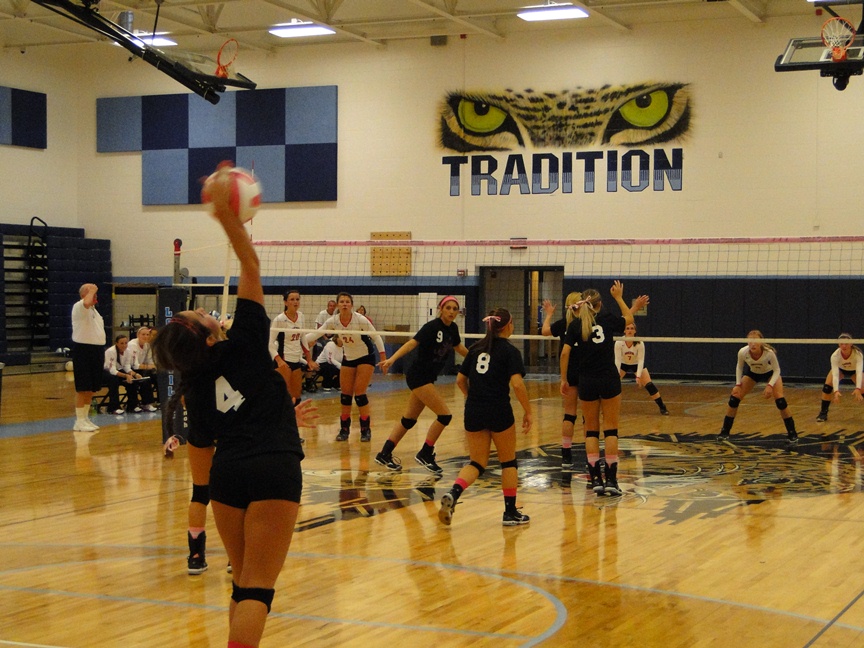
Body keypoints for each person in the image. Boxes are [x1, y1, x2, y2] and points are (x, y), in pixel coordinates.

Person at [150, 162, 315, 648]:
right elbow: (250, 265)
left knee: (243, 586)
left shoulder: (194, 384)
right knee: (259, 592)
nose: (204, 308)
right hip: (274, 470)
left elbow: (203, 457)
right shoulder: (244, 341)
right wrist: (227, 219)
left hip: (227, 478)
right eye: (197, 311)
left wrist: (285, 411)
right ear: (206, 332)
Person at [437, 308, 533, 527]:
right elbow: (517, 384)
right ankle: (510, 513)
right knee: (508, 462)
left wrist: (473, 398)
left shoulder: (475, 349)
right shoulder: (510, 351)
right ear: (508, 326)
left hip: (474, 410)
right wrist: (528, 411)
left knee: (477, 463)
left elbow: (460, 380)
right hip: (498, 409)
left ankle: (454, 492)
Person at [560, 281, 649, 497]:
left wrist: (564, 379)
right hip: (609, 379)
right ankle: (611, 480)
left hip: (586, 381)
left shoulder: (575, 325)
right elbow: (629, 320)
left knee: (591, 430)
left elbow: (564, 354)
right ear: (599, 304)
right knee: (611, 430)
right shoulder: (608, 320)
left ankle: (596, 480)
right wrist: (619, 297)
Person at [375, 295, 469, 474]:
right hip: (419, 376)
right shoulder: (432, 327)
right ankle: (425, 452)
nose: (451, 311)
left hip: (427, 377)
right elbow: (412, 343)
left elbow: (459, 348)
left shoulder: (453, 329)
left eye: (454, 309)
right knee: (444, 416)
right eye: (448, 308)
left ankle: (384, 453)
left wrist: (476, 357)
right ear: (441, 309)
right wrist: (392, 359)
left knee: (408, 420)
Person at [305, 292, 387, 442]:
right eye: (341, 301)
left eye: (347, 302)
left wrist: (383, 358)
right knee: (345, 395)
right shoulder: (334, 320)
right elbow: (317, 334)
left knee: (360, 394)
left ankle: (365, 429)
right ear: (337, 305)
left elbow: (376, 336)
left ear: (351, 305)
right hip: (348, 358)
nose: (344, 304)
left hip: (365, 357)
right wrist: (301, 338)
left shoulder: (360, 319)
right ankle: (344, 429)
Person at [719, 330, 799, 445]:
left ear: (761, 342)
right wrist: (737, 384)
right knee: (734, 399)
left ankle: (792, 433)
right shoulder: (743, 352)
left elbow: (777, 370)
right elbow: (739, 367)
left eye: (755, 341)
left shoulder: (769, 353)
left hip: (770, 373)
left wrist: (770, 385)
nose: (752, 344)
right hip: (753, 373)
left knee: (780, 401)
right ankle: (724, 432)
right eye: (750, 341)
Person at [541, 293, 582, 471]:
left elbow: (544, 331)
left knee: (569, 414)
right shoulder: (587, 324)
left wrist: (549, 314)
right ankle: (592, 453)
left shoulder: (563, 324)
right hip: (587, 371)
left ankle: (566, 454)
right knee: (589, 415)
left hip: (570, 372)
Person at [270, 289, 317, 405]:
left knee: (296, 396)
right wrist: (279, 360)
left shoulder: (301, 316)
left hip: (296, 360)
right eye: (292, 299)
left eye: (297, 299)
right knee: (283, 396)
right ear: (285, 302)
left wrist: (309, 359)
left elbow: (303, 338)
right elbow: (269, 343)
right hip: (284, 361)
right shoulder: (279, 319)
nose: (295, 302)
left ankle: (294, 422)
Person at [71, 283, 106, 431]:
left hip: (96, 350)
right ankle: (79, 421)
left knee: (91, 389)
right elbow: (86, 301)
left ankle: (85, 418)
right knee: (83, 388)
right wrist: (92, 289)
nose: (95, 295)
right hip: (83, 350)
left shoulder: (94, 311)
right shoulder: (79, 306)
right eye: (93, 293)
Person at [615, 322, 669, 415]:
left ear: (635, 331)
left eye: (632, 328)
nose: (630, 330)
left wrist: (638, 376)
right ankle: (608, 408)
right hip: (623, 364)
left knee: (649, 385)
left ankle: (662, 407)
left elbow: (640, 360)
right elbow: (617, 360)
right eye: (627, 328)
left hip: (636, 364)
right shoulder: (619, 342)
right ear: (624, 330)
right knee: (612, 384)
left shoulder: (639, 343)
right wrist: (615, 375)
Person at [817, 333, 864, 422]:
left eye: (846, 343)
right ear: (838, 344)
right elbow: (835, 374)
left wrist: (858, 388)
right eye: (841, 343)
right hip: (841, 369)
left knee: (863, 389)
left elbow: (859, 372)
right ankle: (823, 413)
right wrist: (836, 391)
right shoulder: (835, 356)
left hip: (854, 371)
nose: (844, 346)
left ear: (851, 344)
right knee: (827, 387)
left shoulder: (858, 355)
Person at [103, 334, 148, 414]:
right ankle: (114, 407)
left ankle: (132, 406)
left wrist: (134, 374)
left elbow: (127, 366)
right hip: (106, 372)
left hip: (119, 370)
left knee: (132, 380)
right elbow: (112, 370)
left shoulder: (127, 351)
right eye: (121, 343)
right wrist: (125, 375)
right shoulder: (111, 351)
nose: (124, 345)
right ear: (116, 343)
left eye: (125, 343)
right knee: (114, 380)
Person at [126, 326, 159, 411]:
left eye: (147, 334)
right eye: (143, 334)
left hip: (141, 369)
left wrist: (151, 366)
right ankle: (143, 404)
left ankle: (159, 401)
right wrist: (150, 366)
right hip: (128, 369)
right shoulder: (132, 345)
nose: (145, 336)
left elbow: (149, 361)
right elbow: (135, 365)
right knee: (145, 378)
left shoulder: (147, 345)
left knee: (157, 375)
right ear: (138, 335)